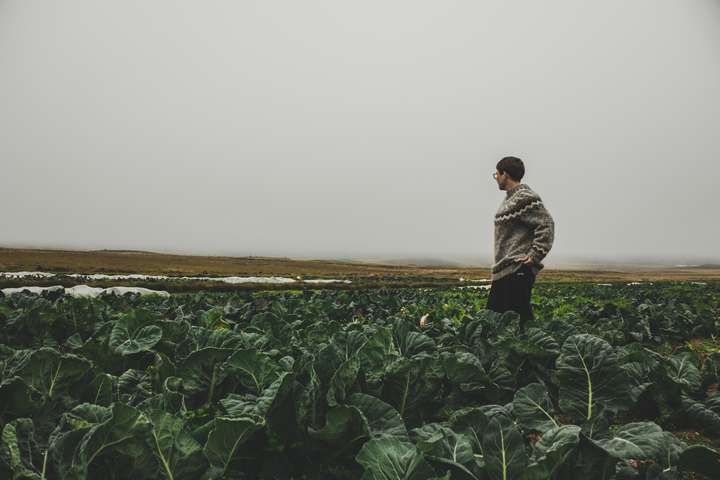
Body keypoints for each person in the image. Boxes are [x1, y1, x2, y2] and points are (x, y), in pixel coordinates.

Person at [486, 156, 555, 330]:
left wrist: (535, 254)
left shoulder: (525, 197)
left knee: (520, 320)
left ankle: (538, 354)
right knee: (495, 319)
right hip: (504, 270)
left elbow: (546, 224)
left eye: (497, 174)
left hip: (518, 268)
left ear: (505, 174)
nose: (496, 179)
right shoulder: (510, 199)